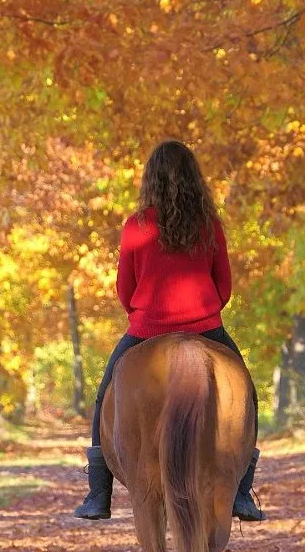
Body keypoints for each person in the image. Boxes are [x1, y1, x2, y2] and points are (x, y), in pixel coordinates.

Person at [74, 140, 265, 523]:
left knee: (103, 396)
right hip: (206, 328)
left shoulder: (136, 226)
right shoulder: (209, 226)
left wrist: (146, 315)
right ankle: (242, 492)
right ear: (195, 180)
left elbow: (124, 290)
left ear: (151, 179)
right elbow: (223, 285)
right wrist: (201, 314)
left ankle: (99, 493)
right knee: (248, 396)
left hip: (146, 330)